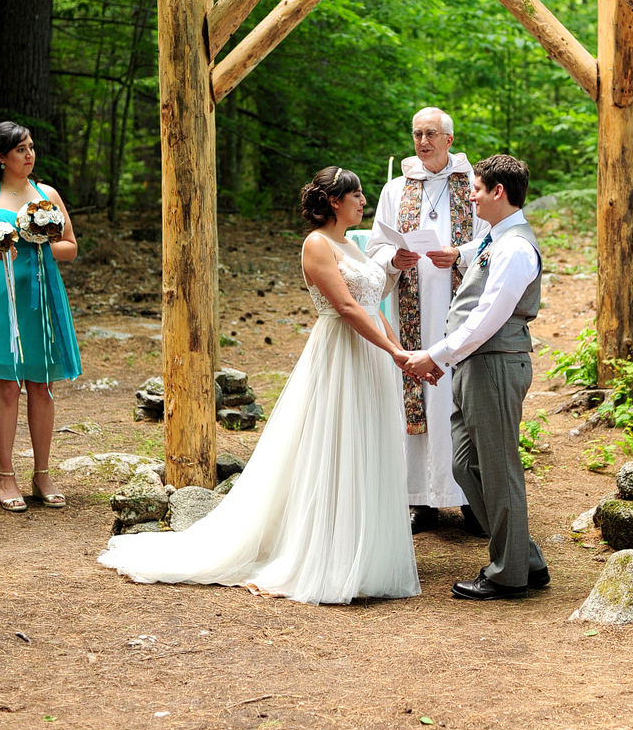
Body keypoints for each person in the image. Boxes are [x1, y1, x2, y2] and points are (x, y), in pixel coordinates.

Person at [99, 167, 420, 605]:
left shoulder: (354, 245)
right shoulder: (317, 244)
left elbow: (371, 304)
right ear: (333, 202)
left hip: (370, 355)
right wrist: (392, 350)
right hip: (339, 353)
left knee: (366, 446)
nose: (364, 201)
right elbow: (345, 306)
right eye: (357, 195)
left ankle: (362, 557)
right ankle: (322, 555)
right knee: (333, 445)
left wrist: (401, 354)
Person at [405, 154, 549, 600]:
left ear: (498, 193)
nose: (470, 195)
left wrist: (436, 355)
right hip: (473, 365)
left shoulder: (516, 248)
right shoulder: (493, 237)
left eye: (477, 188)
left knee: (498, 467)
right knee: (465, 464)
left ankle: (509, 575)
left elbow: (488, 317)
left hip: (495, 363)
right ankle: (525, 559)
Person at [366, 107, 488, 535]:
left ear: (449, 140)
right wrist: (393, 259)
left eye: (431, 133)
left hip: (459, 310)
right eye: (417, 133)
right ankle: (421, 499)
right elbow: (376, 247)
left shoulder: (472, 185)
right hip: (411, 307)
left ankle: (470, 498)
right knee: (417, 396)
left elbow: (491, 240)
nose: (423, 141)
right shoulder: (396, 189)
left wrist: (460, 254)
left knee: (458, 399)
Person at [0, 122, 82, 512]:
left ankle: (42, 473)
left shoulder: (47, 194)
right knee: (6, 387)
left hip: (41, 297)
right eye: (20, 150)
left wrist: (46, 236)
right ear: (0, 157)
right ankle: (5, 475)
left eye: (31, 147)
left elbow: (70, 248)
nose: (30, 155)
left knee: (41, 385)